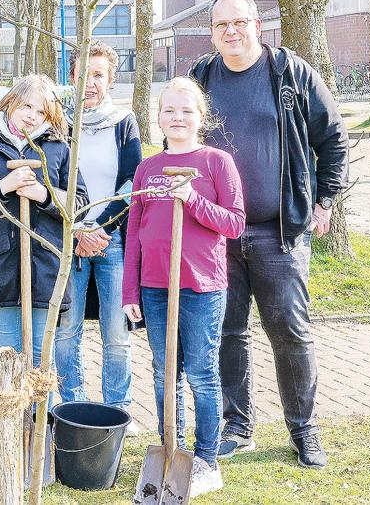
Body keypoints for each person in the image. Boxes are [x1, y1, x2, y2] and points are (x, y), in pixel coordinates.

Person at [188, 0, 349, 469]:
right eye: (221, 25)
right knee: (227, 332)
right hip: (216, 235)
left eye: (239, 22)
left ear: (257, 24)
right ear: (212, 32)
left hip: (279, 233)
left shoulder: (290, 74)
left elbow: (333, 137)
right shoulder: (200, 78)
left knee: (290, 332)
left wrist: (324, 201)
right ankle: (238, 427)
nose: (230, 32)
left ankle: (304, 430)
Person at [122, 77, 246, 498]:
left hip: (201, 285)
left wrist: (191, 197)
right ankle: (172, 451)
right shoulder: (147, 168)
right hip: (155, 287)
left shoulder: (216, 162)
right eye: (169, 111)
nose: (177, 118)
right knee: (163, 374)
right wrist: (129, 291)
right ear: (158, 117)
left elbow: (235, 223)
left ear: (201, 117)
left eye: (186, 111)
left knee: (200, 373)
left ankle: (207, 460)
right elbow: (134, 232)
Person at [0, 74, 88, 367]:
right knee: (7, 352)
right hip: (1, 266)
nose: (32, 116)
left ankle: (44, 414)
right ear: (11, 102)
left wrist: (43, 194)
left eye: (42, 111)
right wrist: (3, 186)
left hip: (46, 266)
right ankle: (12, 414)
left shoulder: (58, 148)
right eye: (27, 106)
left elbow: (80, 205)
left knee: (42, 356)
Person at [52, 42, 141, 429]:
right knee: (66, 329)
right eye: (83, 74)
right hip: (68, 238)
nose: (90, 83)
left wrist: (100, 229)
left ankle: (117, 409)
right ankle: (71, 407)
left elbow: (130, 183)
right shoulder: (57, 124)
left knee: (116, 331)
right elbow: (53, 178)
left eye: (99, 75)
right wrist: (75, 231)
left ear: (111, 79)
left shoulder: (124, 122)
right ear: (71, 76)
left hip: (112, 239)